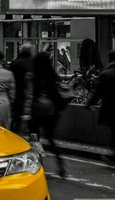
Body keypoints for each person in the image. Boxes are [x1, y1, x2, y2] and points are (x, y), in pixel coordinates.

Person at [29, 50, 69, 178]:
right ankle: (60, 163)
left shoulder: (34, 76)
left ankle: (37, 165)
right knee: (51, 139)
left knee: (35, 138)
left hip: (36, 109)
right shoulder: (52, 75)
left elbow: (30, 94)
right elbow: (57, 93)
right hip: (51, 110)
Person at [8, 42, 35, 134]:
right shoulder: (33, 63)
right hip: (31, 96)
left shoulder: (15, 63)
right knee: (33, 122)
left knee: (17, 118)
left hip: (17, 95)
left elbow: (10, 80)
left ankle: (14, 135)